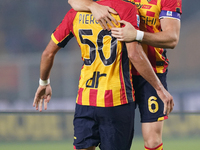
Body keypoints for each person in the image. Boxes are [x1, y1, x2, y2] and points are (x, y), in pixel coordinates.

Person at [33, 0, 173, 150]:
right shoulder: (127, 9)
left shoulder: (75, 13)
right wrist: (159, 88)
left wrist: (44, 82)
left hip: (85, 100)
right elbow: (134, 55)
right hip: (116, 99)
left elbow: (47, 53)